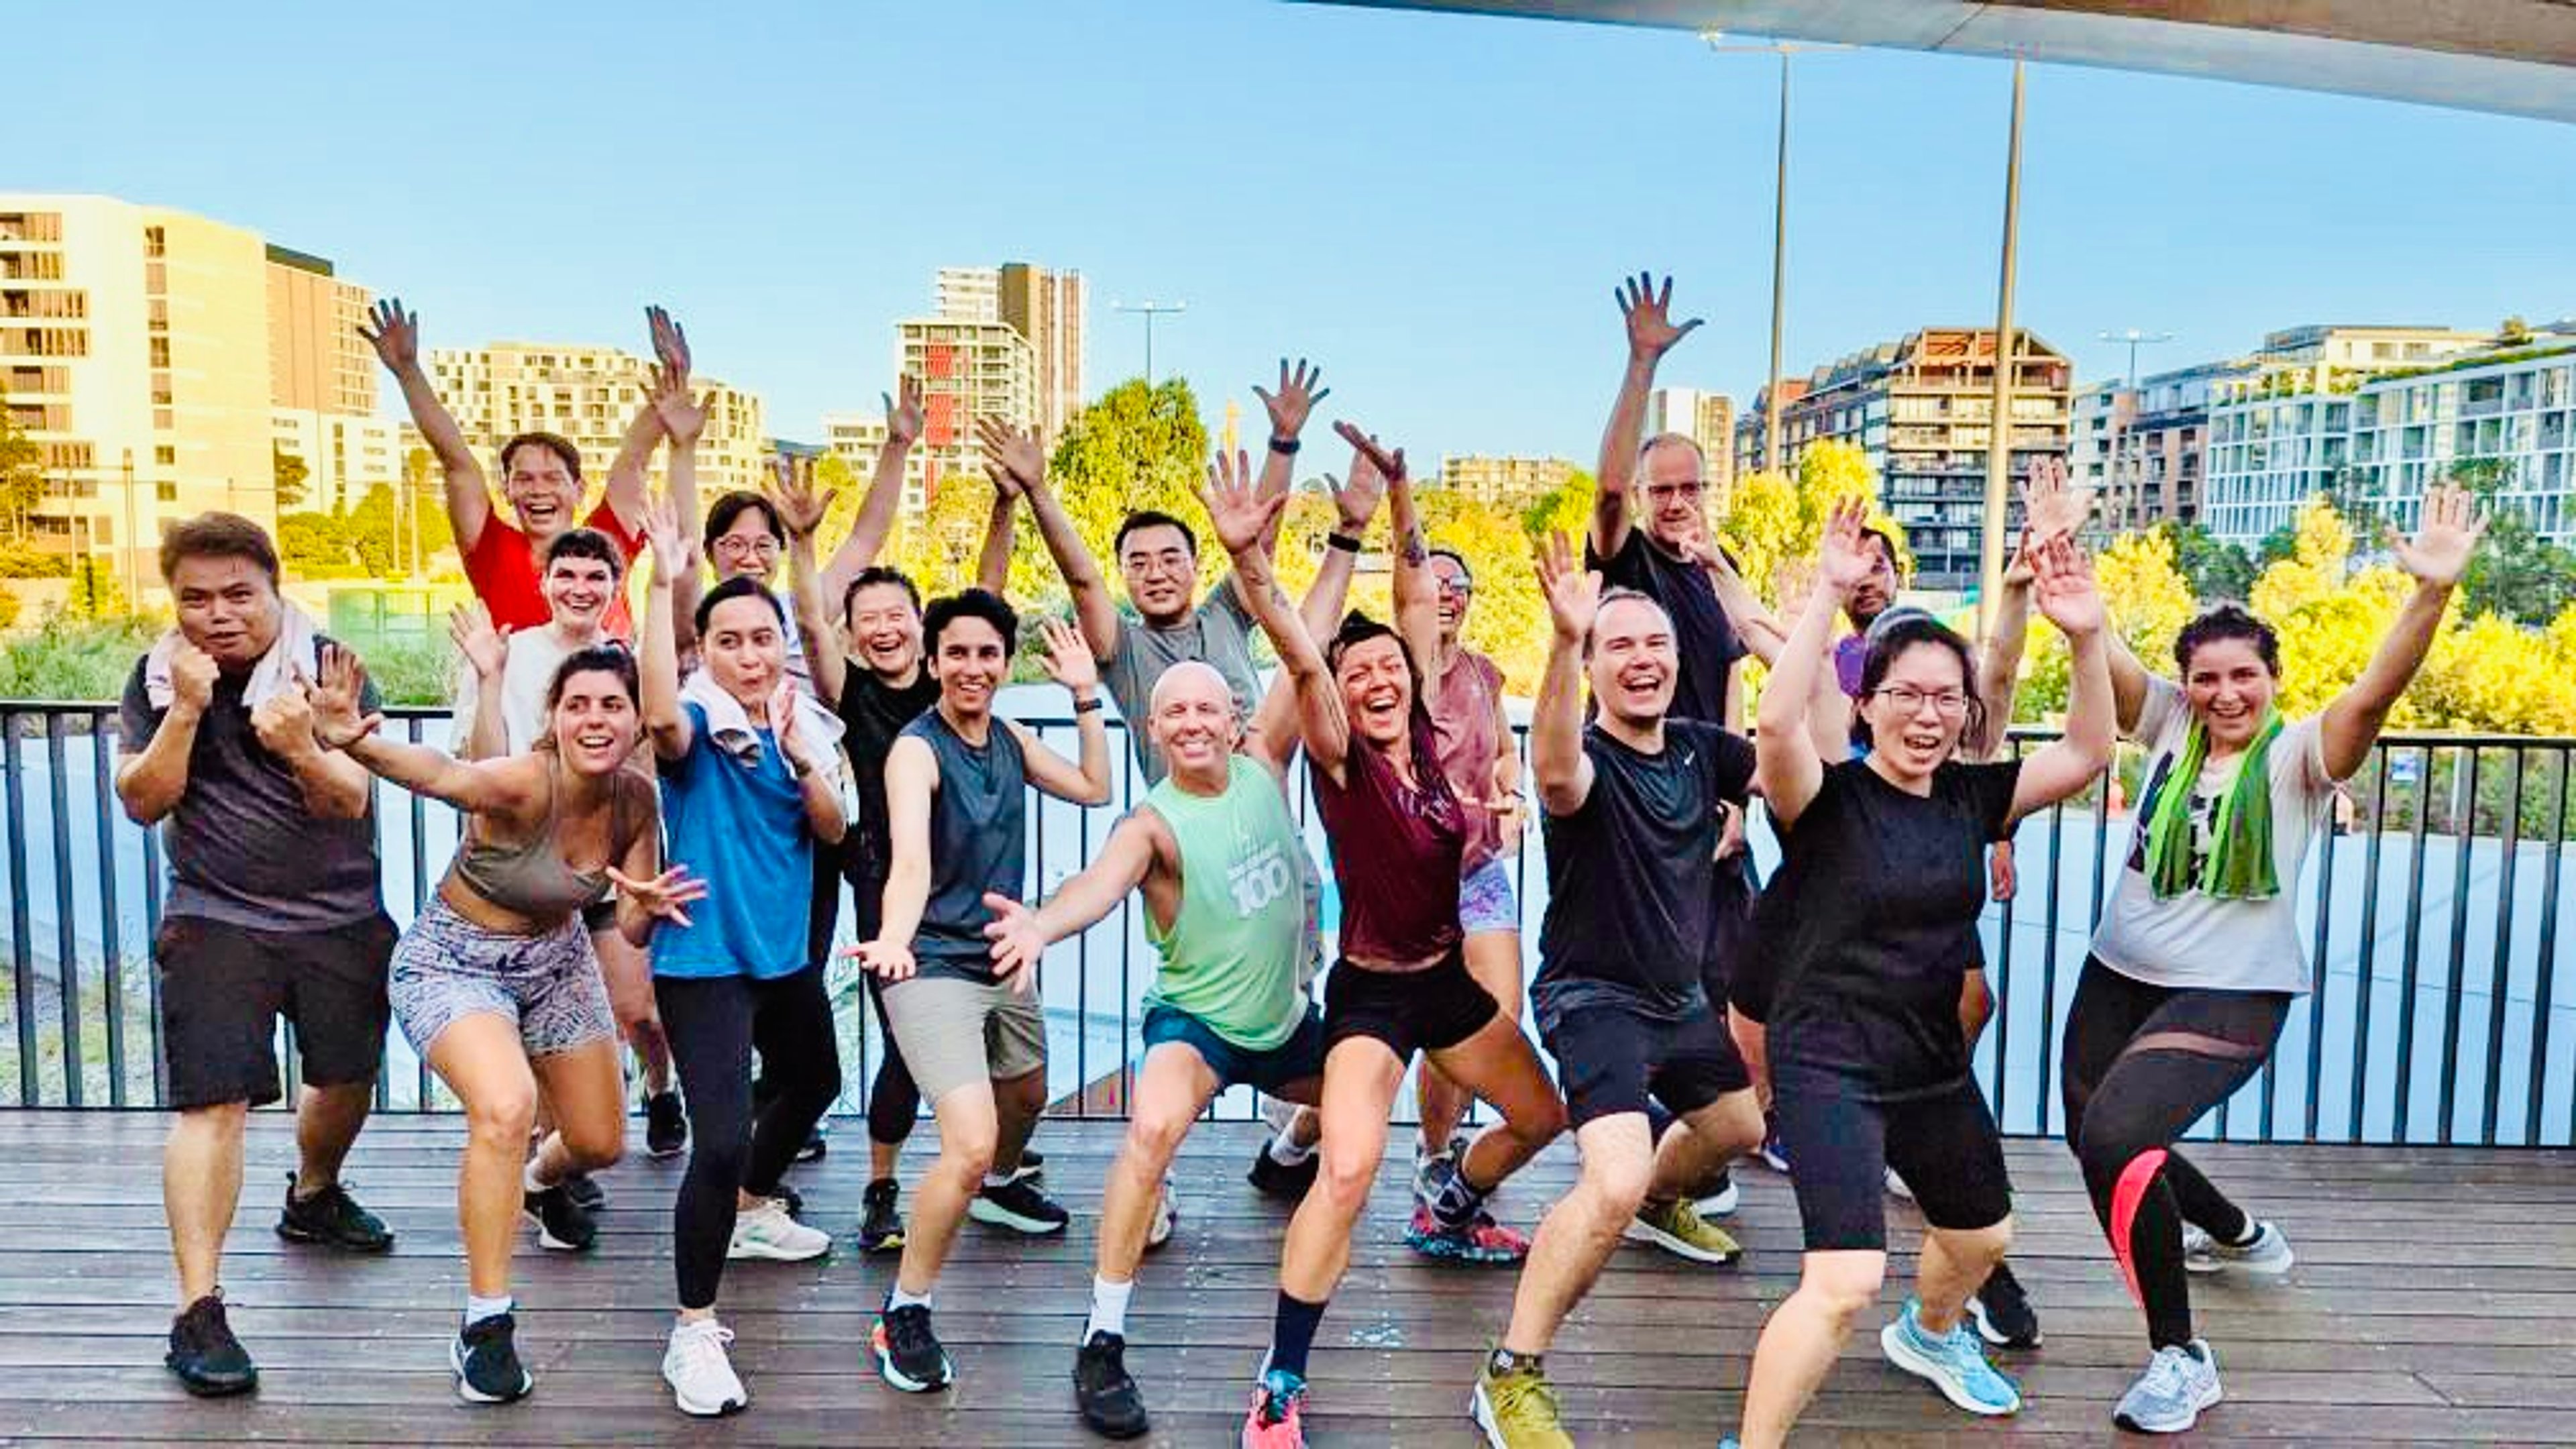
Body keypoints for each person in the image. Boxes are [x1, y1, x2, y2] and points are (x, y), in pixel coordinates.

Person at [2066, 486, 2483, 1436]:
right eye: (2206, 677)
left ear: (2272, 678)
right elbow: (2105, 652)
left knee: (2116, 1141)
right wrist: (2081, 607)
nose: (2224, 694)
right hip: (2117, 975)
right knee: (2107, 1142)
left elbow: (2376, 691)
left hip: (2235, 991)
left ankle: (2181, 1355)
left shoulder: (2300, 756)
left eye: (2243, 676)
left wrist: (2429, 596)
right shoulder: (2167, 725)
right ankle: (2238, 1235)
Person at [1722, 500, 2114, 1449]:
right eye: (1907, 695)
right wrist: (1826, 589)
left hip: (1931, 1065)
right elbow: (1777, 723)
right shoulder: (1823, 800)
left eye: (1948, 699)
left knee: (1983, 1240)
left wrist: (2090, 638)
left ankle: (1931, 1335)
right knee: (1845, 1277)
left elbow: (2091, 752)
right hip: (1831, 1062)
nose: (1928, 716)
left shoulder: (1972, 797)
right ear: (1866, 702)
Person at [1213, 431, 1568, 1449]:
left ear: (1409, 681)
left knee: (1544, 1117)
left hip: (1447, 986)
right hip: (1368, 998)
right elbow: (1292, 644)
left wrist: (1408, 497)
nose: (1372, 678)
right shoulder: (1341, 763)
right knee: (1350, 1169)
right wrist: (1252, 565)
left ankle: (1452, 1203)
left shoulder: (1431, 745)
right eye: (1354, 670)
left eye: (1385, 667)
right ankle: (1281, 1378)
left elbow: (1417, 604)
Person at [305, 641, 696, 1403]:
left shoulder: (635, 799)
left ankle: (537, 1183)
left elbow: (637, 923)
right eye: (578, 704)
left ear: (635, 721)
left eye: (612, 705)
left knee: (598, 1143)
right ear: (553, 717)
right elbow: (449, 777)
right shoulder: (526, 780)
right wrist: (357, 739)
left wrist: (645, 911)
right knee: (506, 1106)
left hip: (556, 962)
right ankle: (486, 1322)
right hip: (456, 961)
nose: (595, 718)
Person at [1009, 360, 1356, 1194]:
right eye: (1140, 560)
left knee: (1293, 1005)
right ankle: (1152, 1184)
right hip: (1189, 859)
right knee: (1187, 1025)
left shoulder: (1228, 615)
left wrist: (1283, 440)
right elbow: (1082, 579)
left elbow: (1256, 542)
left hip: (1272, 851)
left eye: (1171, 556)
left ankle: (1291, 1145)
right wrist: (1038, 494)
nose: (1156, 570)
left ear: (1194, 566)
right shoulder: (1125, 651)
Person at [1468, 537, 1769, 1448]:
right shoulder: (1587, 760)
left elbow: (1792, 758)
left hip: (1677, 999)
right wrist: (1560, 642)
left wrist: (1747, 806)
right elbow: (1555, 770)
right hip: (1595, 998)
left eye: (1656, 645)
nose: (1642, 660)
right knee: (1612, 1174)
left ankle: (1653, 1204)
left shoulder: (1699, 750)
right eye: (1619, 647)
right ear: (1596, 667)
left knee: (1741, 1130)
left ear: (1678, 660)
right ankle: (1510, 1374)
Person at [977, 659, 1324, 1440]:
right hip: (1196, 1026)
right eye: (1176, 712)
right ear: (1155, 730)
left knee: (1365, 1091)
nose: (1194, 722)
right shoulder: (1149, 826)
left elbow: (1306, 644)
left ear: (1235, 720)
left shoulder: (1264, 764)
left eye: (1208, 707)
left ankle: (1288, 1149)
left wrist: (1346, 536)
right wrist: (1039, 924)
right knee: (1151, 1129)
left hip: (1287, 1022)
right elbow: (1098, 886)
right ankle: (1102, 1335)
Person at [113, 514, 394, 1398]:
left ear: (275, 591)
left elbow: (351, 799)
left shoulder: (331, 666)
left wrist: (301, 742)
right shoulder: (159, 681)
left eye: (239, 594)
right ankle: (198, 1308)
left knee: (346, 1077)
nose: (218, 615)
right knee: (211, 1105)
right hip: (214, 914)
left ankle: (313, 1195)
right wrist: (189, 711)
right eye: (195, 598)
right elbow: (143, 800)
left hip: (338, 914)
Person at [855, 590, 1112, 1395]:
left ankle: (1000, 1187)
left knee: (1027, 1098)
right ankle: (906, 1310)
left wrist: (1083, 697)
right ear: (932, 663)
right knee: (966, 1144)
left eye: (987, 654)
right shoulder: (915, 751)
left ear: (1005, 664)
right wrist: (895, 937)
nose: (972, 668)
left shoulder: (1009, 737)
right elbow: (910, 865)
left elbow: (1095, 790)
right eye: (956, 654)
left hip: (1003, 957)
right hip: (929, 963)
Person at [637, 494, 849, 1417]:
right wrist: (658, 584)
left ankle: (758, 1206)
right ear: (707, 650)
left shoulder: (804, 725)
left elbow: (835, 826)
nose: (750, 655)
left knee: (816, 1082)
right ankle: (693, 1331)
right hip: (705, 961)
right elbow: (655, 715)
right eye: (730, 641)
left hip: (783, 956)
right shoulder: (691, 722)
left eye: (762, 638)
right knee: (718, 1139)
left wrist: (802, 753)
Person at [798, 405, 1014, 1254]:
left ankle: (994, 1169)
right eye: (869, 618)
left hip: (970, 881)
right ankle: (882, 1185)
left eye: (899, 614)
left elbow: (987, 604)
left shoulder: (947, 684)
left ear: (921, 630)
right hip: (887, 879)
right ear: (853, 634)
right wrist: (807, 544)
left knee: (994, 1044)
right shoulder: (848, 691)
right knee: (898, 1045)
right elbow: (812, 621)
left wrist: (1004, 506)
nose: (884, 627)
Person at [450, 529, 685, 1163]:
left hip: (604, 863)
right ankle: (557, 1165)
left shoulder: (627, 663)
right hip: (528, 870)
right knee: (540, 1026)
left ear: (613, 589)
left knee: (638, 1010)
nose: (580, 589)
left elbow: (648, 761)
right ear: (544, 582)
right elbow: (482, 764)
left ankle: (660, 1087)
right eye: (567, 575)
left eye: (595, 577)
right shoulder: (509, 651)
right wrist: (490, 678)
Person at [362, 299, 665, 634]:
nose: (538, 490)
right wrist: (408, 371)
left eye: (552, 478)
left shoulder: (608, 539)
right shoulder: (492, 549)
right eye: (524, 479)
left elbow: (634, 458)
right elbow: (456, 463)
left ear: (579, 490)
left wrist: (671, 382)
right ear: (507, 490)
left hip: (607, 685)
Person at [1412, 545, 1527, 1189]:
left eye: (1459, 583)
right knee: (1437, 1022)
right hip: (1414, 878)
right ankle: (1433, 1152)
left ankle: (1467, 1153)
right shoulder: (1392, 675)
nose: (1448, 593)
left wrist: (1513, 794)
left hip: (1481, 869)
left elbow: (1506, 754)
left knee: (1498, 1018)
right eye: (1433, 584)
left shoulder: (1484, 675)